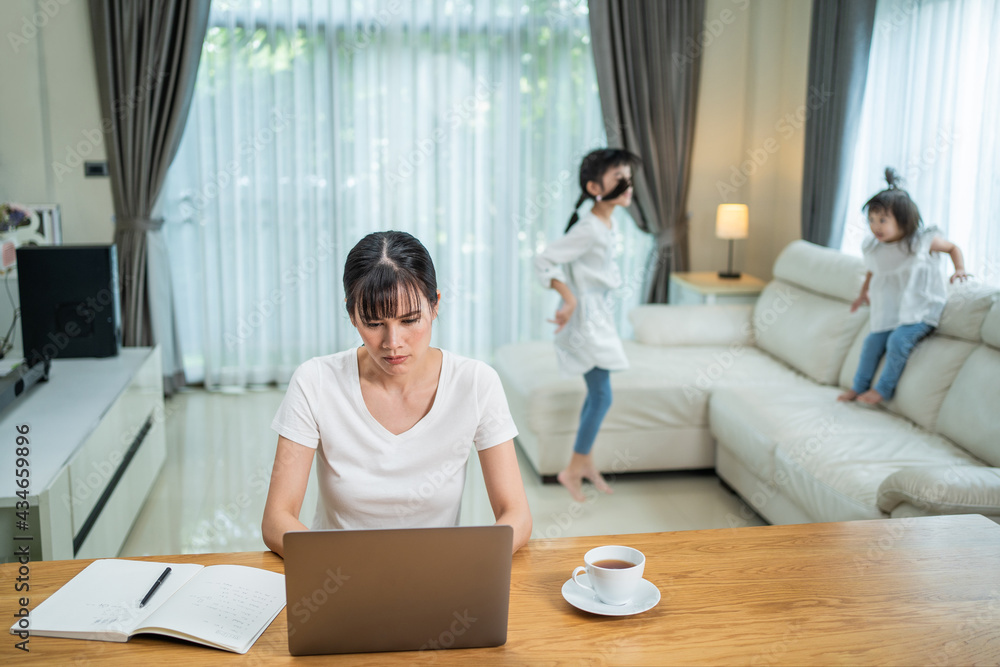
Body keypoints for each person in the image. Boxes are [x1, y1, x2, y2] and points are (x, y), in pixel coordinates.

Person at [262, 231, 532, 557]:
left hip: (437, 572)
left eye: (410, 320)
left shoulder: (476, 383)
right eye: (374, 323)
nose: (393, 343)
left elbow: (516, 514)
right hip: (338, 573)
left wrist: (471, 562)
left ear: (434, 305)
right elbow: (277, 519)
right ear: (352, 315)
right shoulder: (315, 381)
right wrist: (338, 568)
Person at [533, 148, 641, 502]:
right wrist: (569, 298)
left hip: (599, 316)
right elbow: (544, 259)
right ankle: (573, 468)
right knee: (602, 395)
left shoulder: (607, 223)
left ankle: (584, 462)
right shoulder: (589, 228)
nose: (628, 184)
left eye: (628, 176)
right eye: (618, 177)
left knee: (597, 393)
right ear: (595, 187)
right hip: (586, 321)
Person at [838, 167, 969, 405]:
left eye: (883, 220)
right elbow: (873, 269)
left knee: (897, 341)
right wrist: (863, 292)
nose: (875, 226)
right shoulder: (875, 248)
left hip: (921, 310)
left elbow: (952, 248)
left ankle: (883, 389)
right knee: (871, 343)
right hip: (892, 311)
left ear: (904, 221)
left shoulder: (920, 242)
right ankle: (858, 387)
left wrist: (959, 268)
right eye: (871, 220)